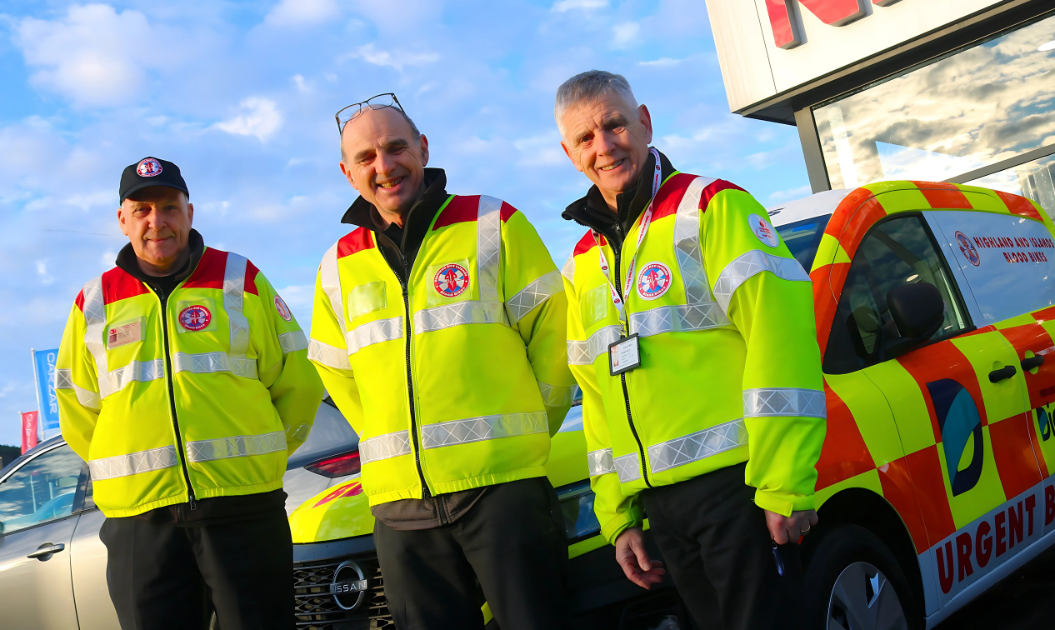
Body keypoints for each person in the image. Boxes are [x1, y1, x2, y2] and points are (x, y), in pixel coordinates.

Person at [555, 71, 826, 630]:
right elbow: (596, 395)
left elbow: (782, 341)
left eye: (614, 125)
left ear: (645, 123)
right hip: (662, 511)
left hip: (740, 491)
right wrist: (619, 517)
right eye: (585, 138)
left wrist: (783, 483)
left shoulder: (713, 208)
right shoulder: (584, 259)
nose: (603, 146)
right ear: (569, 152)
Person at [308, 94, 575, 630]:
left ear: (423, 149)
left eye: (396, 147)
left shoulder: (492, 223)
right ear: (347, 172)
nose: (384, 166)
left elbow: (556, 337)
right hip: (401, 508)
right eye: (366, 158)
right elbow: (338, 374)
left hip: (504, 492)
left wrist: (524, 436)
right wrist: (395, 440)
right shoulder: (338, 266)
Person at [54, 157, 324, 629]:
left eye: (168, 208)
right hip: (140, 522)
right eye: (141, 210)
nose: (156, 222)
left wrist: (262, 458)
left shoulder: (239, 280)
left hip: (244, 511)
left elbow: (298, 378)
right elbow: (77, 408)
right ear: (122, 220)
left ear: (190, 212)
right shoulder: (94, 302)